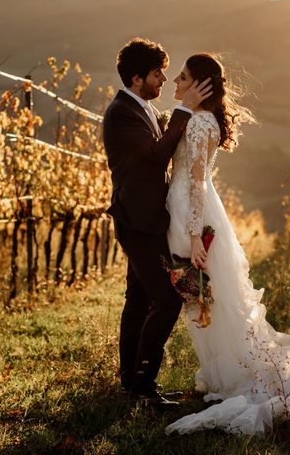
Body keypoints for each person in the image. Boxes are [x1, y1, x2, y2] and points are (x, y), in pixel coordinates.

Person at [163, 53, 290, 435]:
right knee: (208, 297)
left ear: (200, 85)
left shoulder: (198, 123)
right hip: (195, 209)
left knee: (204, 294)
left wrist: (195, 235)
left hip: (190, 213)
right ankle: (223, 373)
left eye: (182, 77)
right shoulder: (206, 119)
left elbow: (196, 182)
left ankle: (234, 376)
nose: (175, 83)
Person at [102, 38, 212, 409]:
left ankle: (130, 380)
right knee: (165, 299)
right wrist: (184, 109)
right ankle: (143, 383)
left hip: (147, 220)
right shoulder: (121, 113)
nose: (163, 78)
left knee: (138, 298)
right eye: (156, 73)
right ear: (137, 78)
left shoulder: (142, 108)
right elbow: (155, 156)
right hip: (137, 222)